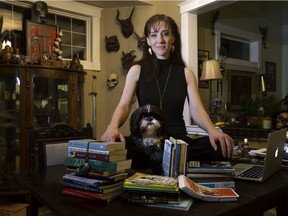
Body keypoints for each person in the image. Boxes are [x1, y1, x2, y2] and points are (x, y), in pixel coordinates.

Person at [101, 14, 233, 168]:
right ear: (148, 40)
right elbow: (124, 105)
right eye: (154, 35)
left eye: (165, 33)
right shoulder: (136, 70)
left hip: (178, 142)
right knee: (113, 147)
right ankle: (165, 162)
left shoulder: (186, 73)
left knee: (222, 145)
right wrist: (112, 127)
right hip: (146, 142)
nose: (160, 40)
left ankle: (164, 161)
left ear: (173, 38)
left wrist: (213, 130)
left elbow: (196, 109)